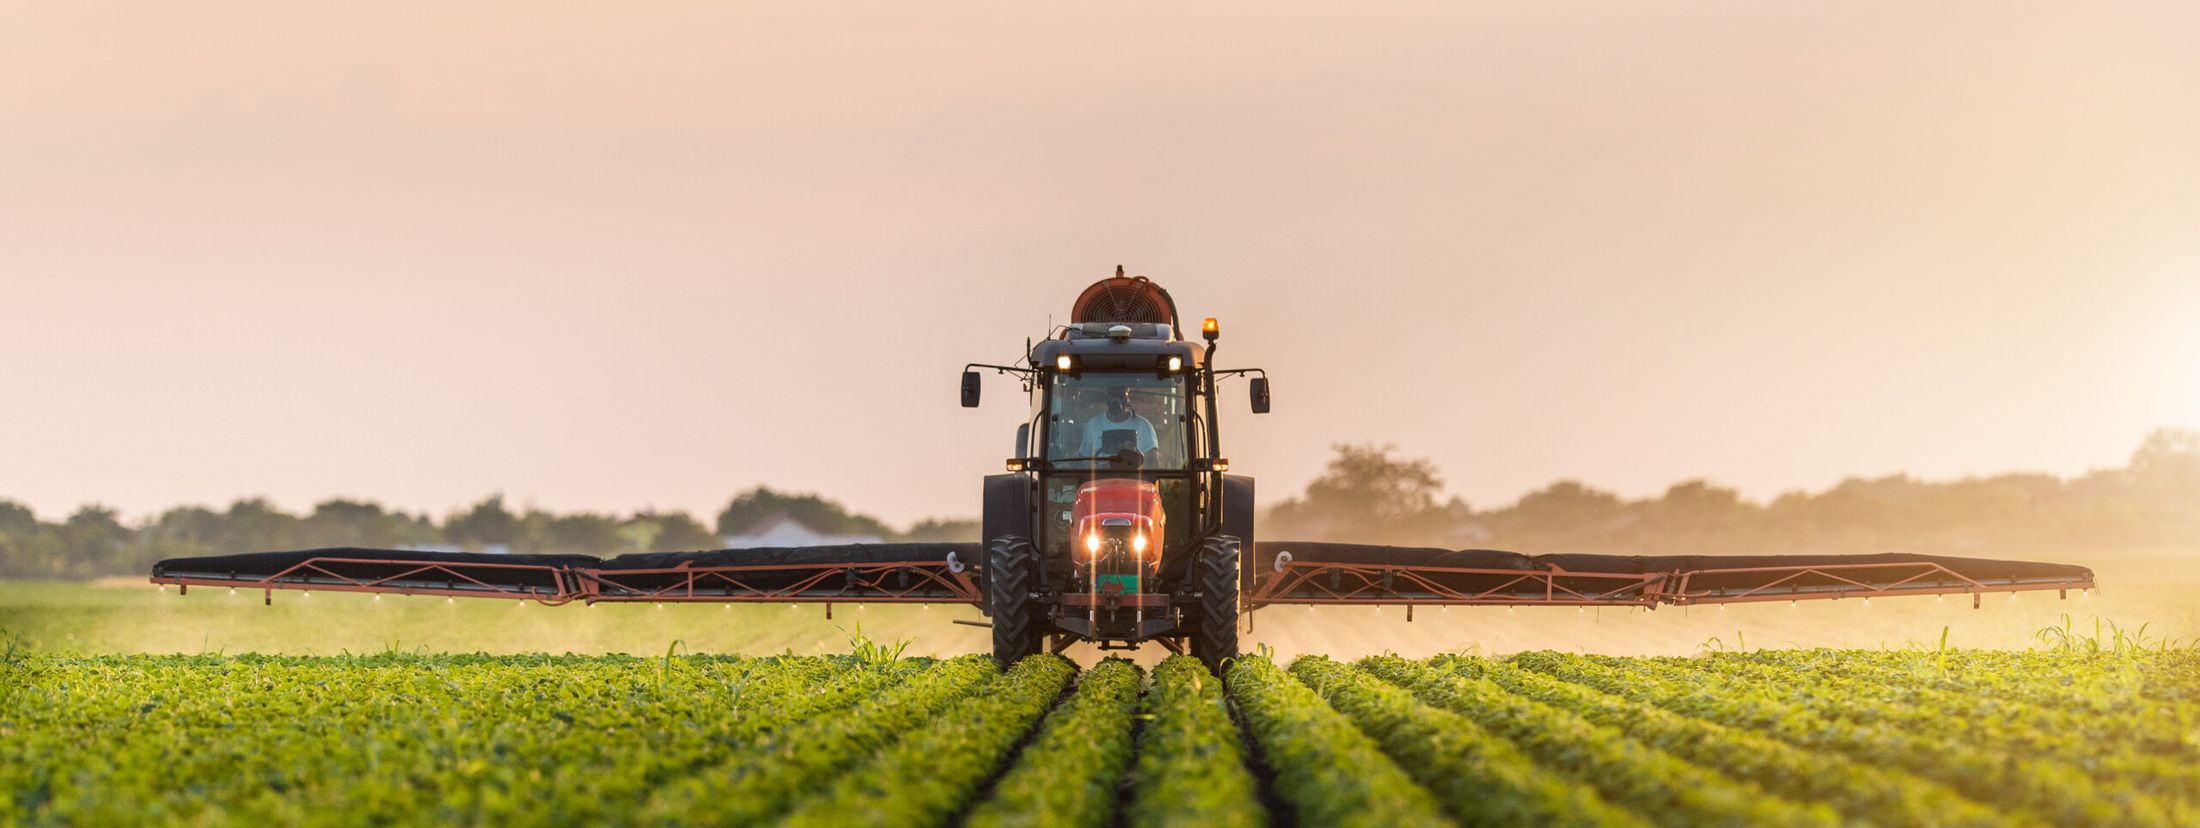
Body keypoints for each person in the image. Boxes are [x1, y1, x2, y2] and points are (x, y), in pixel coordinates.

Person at [1078, 387, 1159, 459]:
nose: (1116, 400)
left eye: (1120, 396)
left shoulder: (1143, 426)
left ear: (1127, 399)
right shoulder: (1093, 424)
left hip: (1135, 475)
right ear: (1106, 399)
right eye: (1112, 395)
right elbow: (1083, 459)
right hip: (1099, 475)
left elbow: (1152, 462)